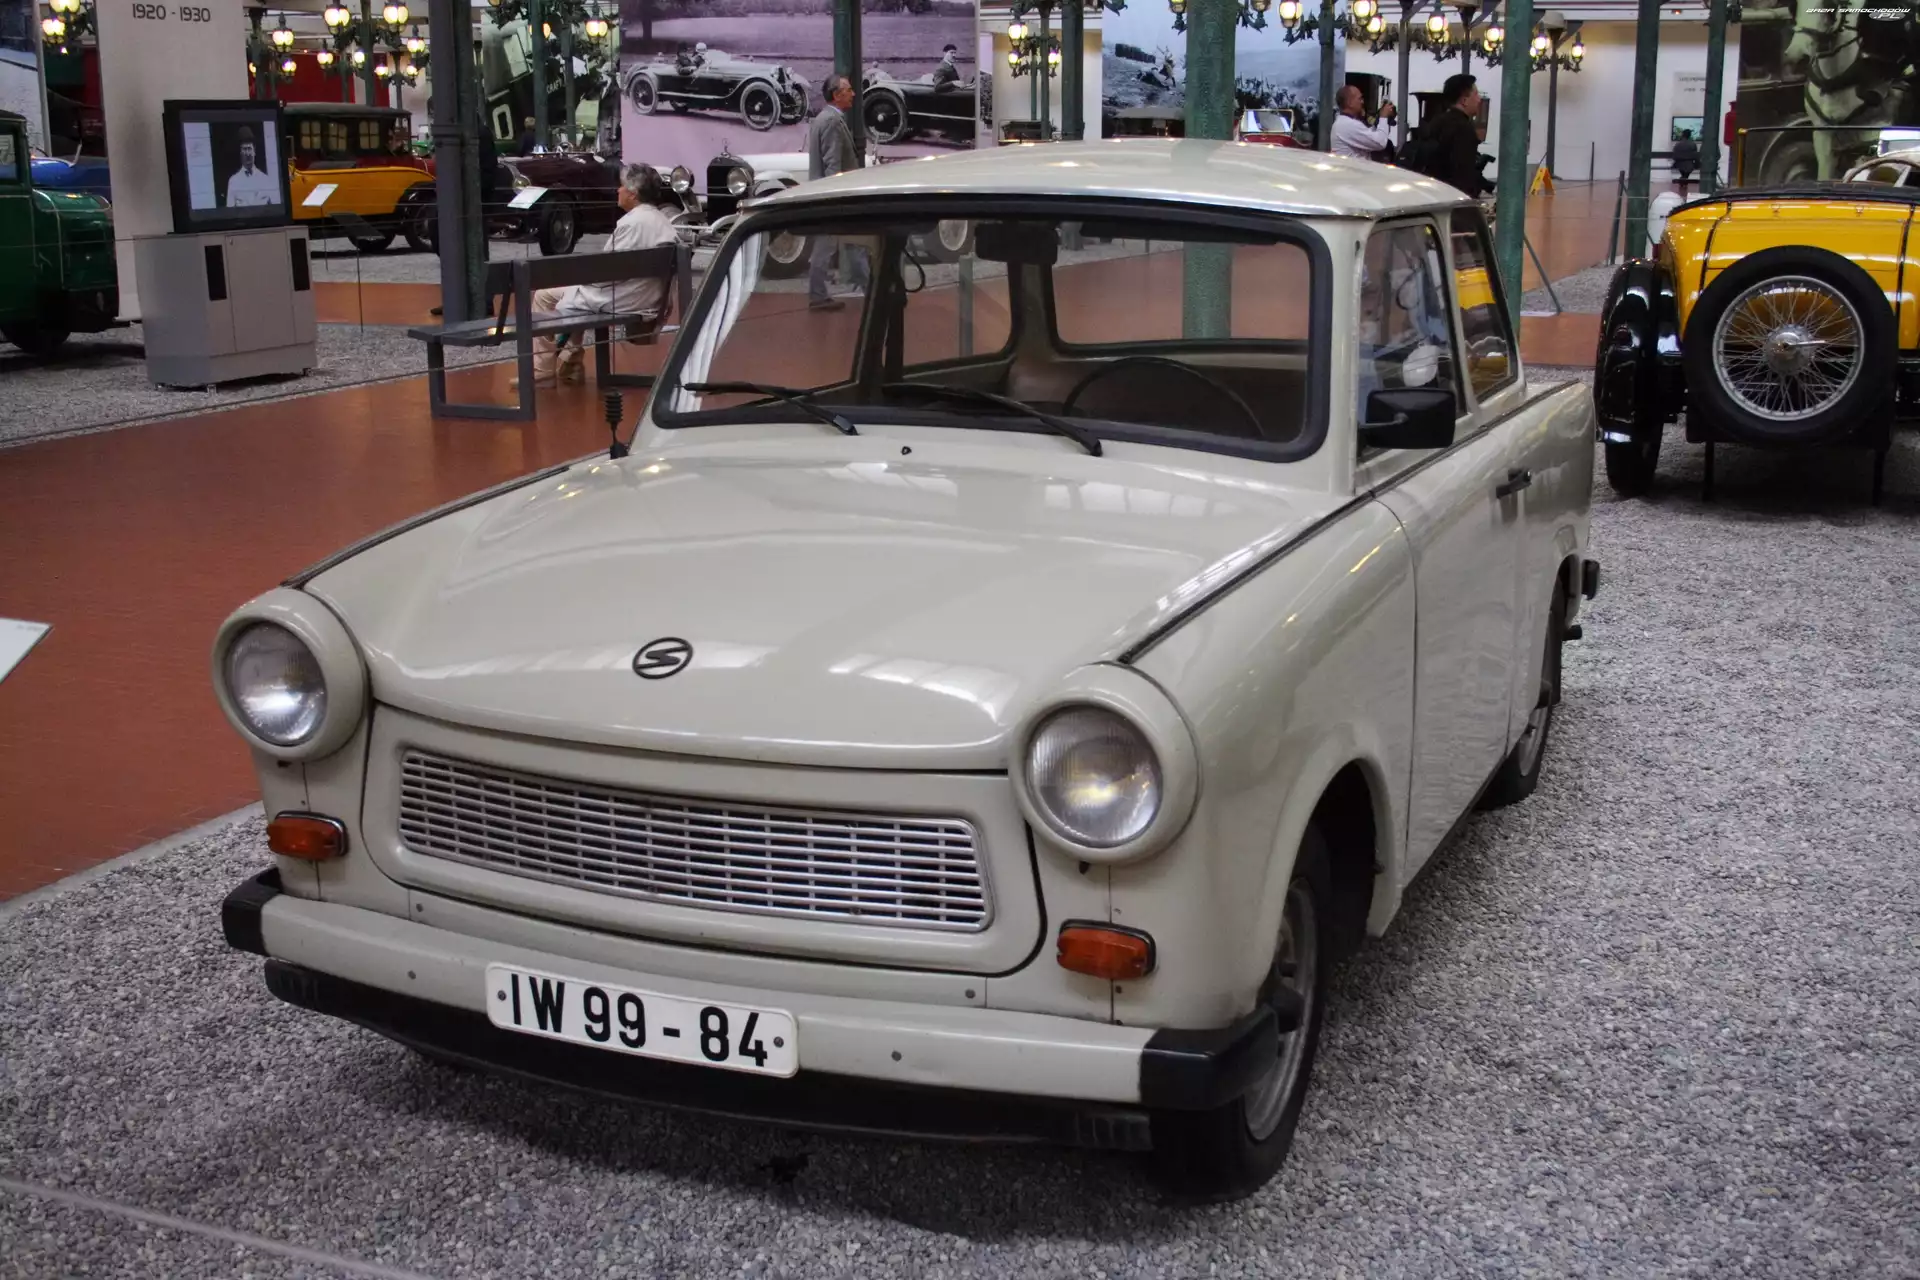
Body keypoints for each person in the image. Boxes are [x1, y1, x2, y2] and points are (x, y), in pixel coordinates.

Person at [520, 163, 679, 388]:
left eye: (621, 186)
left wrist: (579, 275)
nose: (617, 190)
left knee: (545, 295)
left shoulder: (631, 224)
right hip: (646, 297)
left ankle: (543, 371)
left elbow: (605, 275)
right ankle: (570, 360)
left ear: (633, 194)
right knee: (574, 294)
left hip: (622, 299)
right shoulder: (663, 222)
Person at [807, 73, 868, 311]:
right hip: (835, 197)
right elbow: (832, 164)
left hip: (828, 195)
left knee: (842, 245)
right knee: (845, 244)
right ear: (836, 95)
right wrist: (837, 197)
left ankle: (866, 288)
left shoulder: (823, 119)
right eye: (848, 90)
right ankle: (869, 290)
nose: (853, 93)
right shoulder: (832, 122)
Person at [1408, 73, 1490, 197]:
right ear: (1464, 101)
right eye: (1476, 95)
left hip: (1431, 192)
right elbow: (1463, 174)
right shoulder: (1463, 128)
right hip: (1452, 197)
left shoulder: (1437, 122)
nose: (1479, 100)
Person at [1330, 85, 1395, 160]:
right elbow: (1380, 142)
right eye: (1359, 99)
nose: (1362, 102)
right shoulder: (1348, 124)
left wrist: (1380, 120)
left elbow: (1369, 135)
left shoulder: (1344, 122)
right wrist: (1383, 117)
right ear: (1350, 103)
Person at [223, 129, 279, 207]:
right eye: (244, 149)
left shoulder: (265, 180)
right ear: (240, 153)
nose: (247, 153)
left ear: (254, 151)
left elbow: (275, 207)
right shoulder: (233, 182)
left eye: (249, 148)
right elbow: (230, 210)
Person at [1671, 128, 1699, 193]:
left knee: (1684, 173)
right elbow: (1695, 156)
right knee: (1686, 173)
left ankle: (1683, 181)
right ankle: (1683, 181)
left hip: (1679, 164)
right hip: (1689, 164)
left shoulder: (1678, 144)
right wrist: (1697, 164)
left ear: (1683, 135)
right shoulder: (1693, 144)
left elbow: (1674, 156)